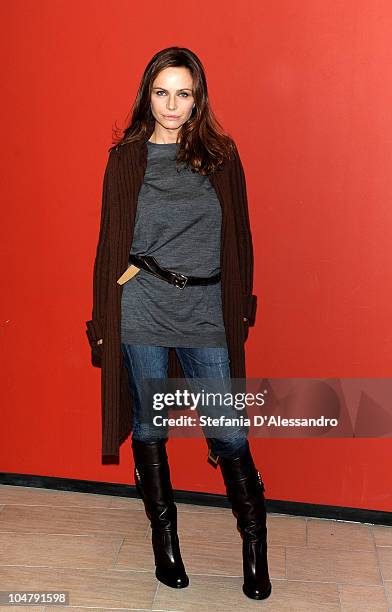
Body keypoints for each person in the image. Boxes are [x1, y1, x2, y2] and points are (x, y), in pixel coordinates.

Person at [87, 46, 271, 601]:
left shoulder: (221, 156)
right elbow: (107, 244)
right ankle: (164, 541)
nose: (171, 104)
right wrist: (103, 319)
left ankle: (255, 546)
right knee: (149, 426)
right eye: (161, 92)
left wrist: (239, 308)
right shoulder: (126, 159)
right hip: (141, 303)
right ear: (149, 94)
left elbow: (240, 238)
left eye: (183, 93)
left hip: (205, 308)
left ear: (197, 100)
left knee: (229, 432)